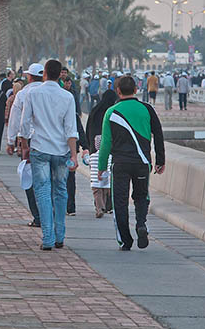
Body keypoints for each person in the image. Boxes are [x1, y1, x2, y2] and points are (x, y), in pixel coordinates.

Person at [98, 76, 165, 251]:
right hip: (142, 163)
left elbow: (106, 143)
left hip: (120, 164)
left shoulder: (111, 112)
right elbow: (158, 134)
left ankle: (125, 240)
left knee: (119, 201)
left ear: (118, 91)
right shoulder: (147, 109)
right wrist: (160, 161)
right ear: (136, 90)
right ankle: (141, 223)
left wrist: (101, 166)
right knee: (142, 196)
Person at [19, 60, 78, 251]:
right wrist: (74, 156)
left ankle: (48, 237)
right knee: (61, 191)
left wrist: (24, 145)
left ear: (44, 73)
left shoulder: (33, 93)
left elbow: (24, 122)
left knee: (43, 192)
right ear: (59, 74)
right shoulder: (67, 96)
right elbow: (71, 129)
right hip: (61, 151)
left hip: (40, 149)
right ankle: (60, 235)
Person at [6, 63, 44, 228]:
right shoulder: (50, 92)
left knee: (29, 179)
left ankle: (37, 215)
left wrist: (11, 141)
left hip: (28, 143)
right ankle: (48, 214)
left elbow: (15, 119)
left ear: (29, 76)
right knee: (46, 181)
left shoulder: (23, 94)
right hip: (49, 142)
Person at [86, 89, 118, 217]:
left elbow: (88, 129)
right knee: (109, 177)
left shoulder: (95, 110)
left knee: (96, 178)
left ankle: (99, 205)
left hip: (95, 147)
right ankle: (109, 205)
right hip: (110, 148)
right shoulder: (113, 111)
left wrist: (89, 146)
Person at [63, 76, 88, 216]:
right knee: (70, 179)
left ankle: (66, 206)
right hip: (70, 150)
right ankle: (70, 207)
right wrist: (84, 146)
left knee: (63, 178)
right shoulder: (72, 114)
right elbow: (79, 130)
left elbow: (79, 129)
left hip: (61, 149)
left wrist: (85, 146)